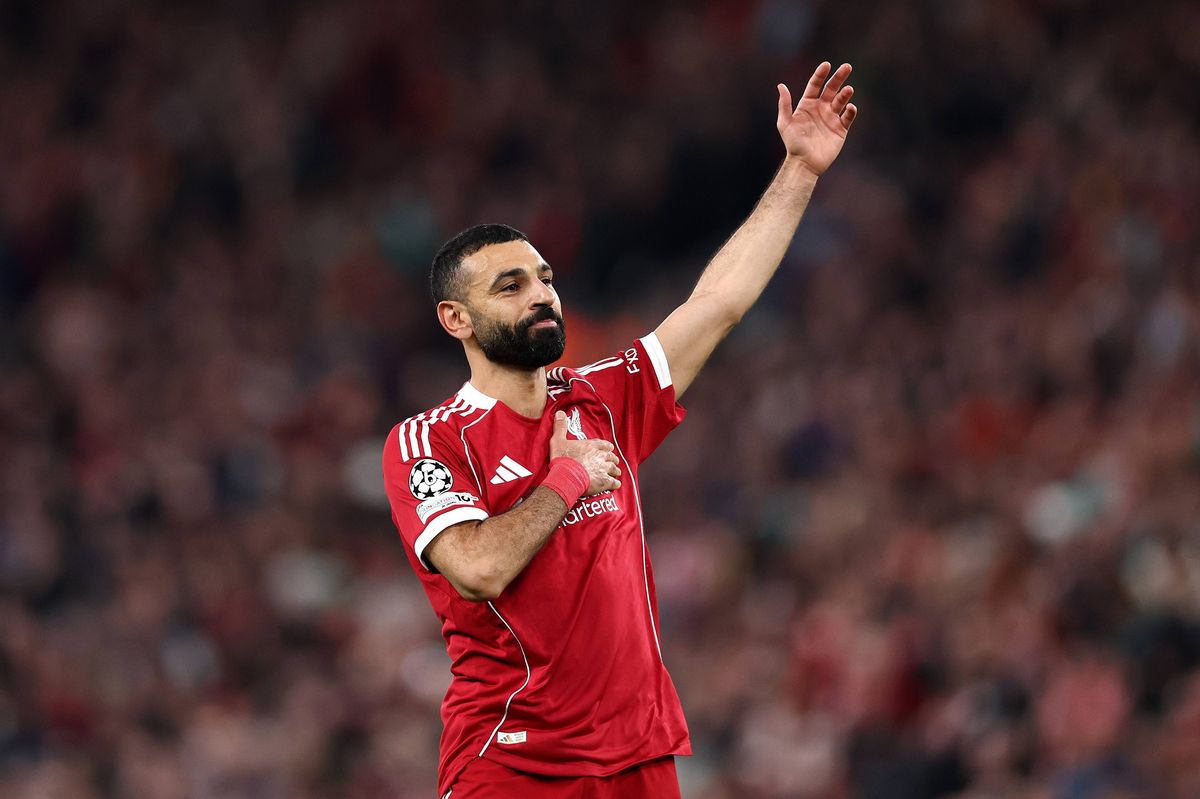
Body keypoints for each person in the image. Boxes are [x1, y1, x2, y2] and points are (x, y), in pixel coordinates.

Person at [382, 61, 858, 799]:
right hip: (513, 764)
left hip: (638, 757)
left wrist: (799, 169)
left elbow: (718, 302)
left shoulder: (601, 397)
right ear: (457, 319)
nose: (541, 295)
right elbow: (477, 568)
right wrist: (568, 478)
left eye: (544, 277)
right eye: (511, 286)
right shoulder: (429, 441)